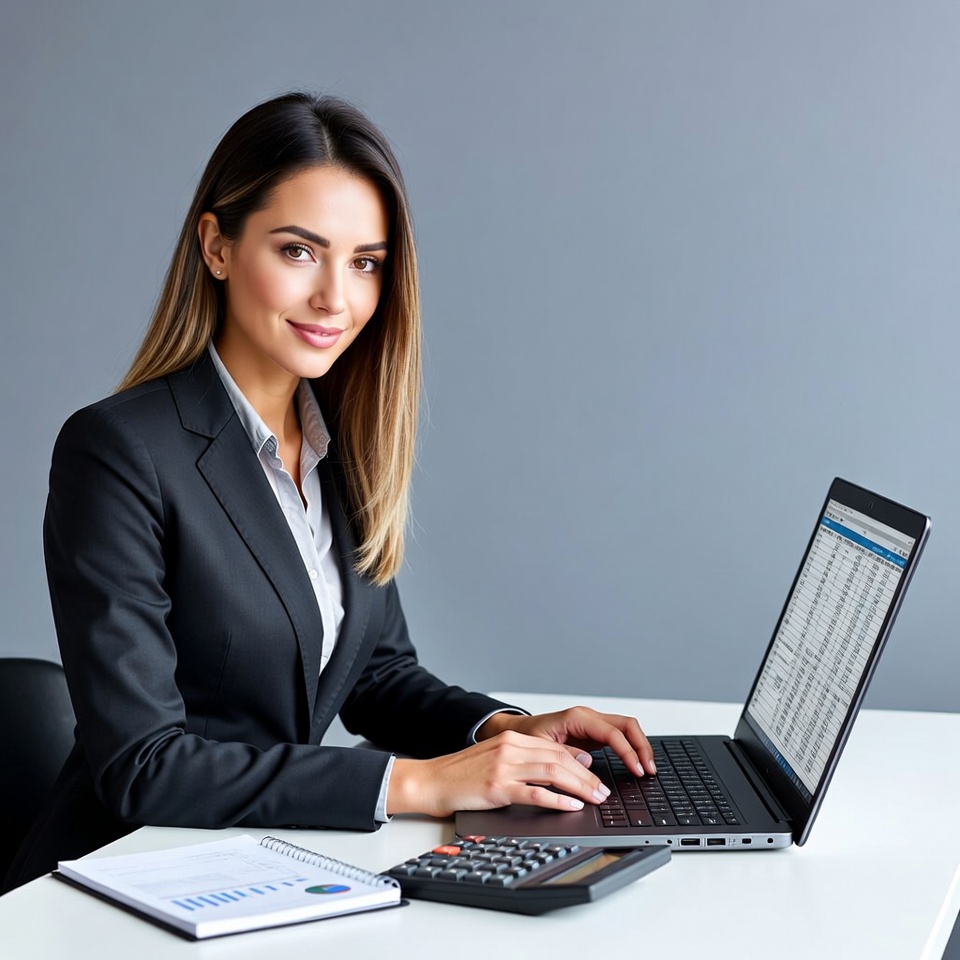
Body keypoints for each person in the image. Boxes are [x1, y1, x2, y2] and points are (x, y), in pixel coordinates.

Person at [3, 93, 655, 891]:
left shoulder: (338, 441)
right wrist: (419, 784)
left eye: (366, 263)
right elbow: (145, 767)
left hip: (271, 865)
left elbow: (372, 675)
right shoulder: (117, 452)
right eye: (300, 252)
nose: (335, 300)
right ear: (216, 245)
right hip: (128, 874)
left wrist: (504, 731)